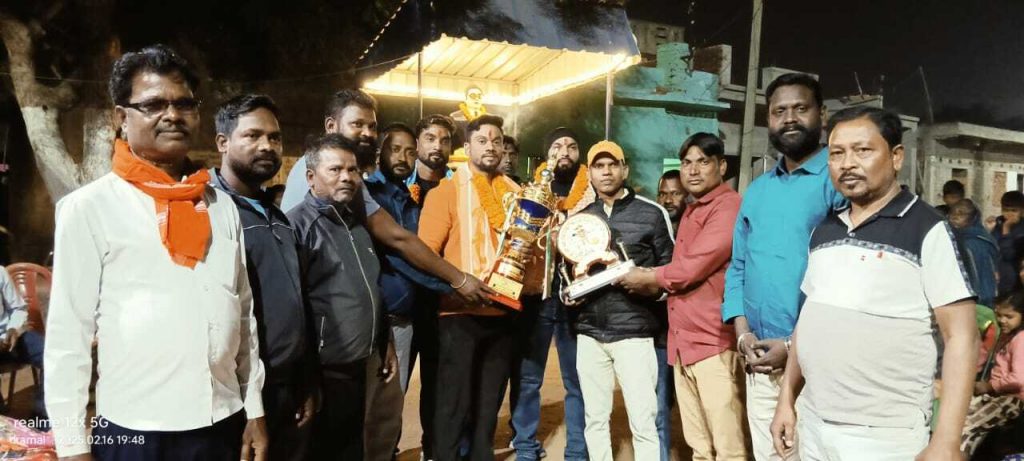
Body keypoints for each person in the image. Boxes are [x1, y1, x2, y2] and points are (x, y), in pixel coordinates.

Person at [45, 44, 266, 460]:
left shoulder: (221, 207)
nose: (172, 115)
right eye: (153, 105)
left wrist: (253, 407)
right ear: (120, 118)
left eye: (184, 104)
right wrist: (72, 446)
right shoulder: (89, 208)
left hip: (222, 422)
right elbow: (67, 337)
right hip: (136, 429)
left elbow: (242, 313)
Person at [770, 107, 978, 460]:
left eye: (862, 150)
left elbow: (962, 337)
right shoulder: (825, 231)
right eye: (837, 153)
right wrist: (786, 401)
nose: (847, 163)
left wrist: (946, 440)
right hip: (815, 423)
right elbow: (808, 321)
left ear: (896, 157)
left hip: (884, 435)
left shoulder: (927, 229)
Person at [722, 73, 846, 460]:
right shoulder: (758, 190)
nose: (789, 118)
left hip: (820, 365)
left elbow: (846, 280)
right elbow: (739, 266)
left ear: (822, 115)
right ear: (768, 119)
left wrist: (793, 347)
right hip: (760, 361)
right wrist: (742, 334)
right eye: (779, 111)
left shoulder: (838, 182)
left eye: (800, 108)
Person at [279, 90, 491, 308]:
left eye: (372, 126)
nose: (367, 133)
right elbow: (397, 239)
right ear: (331, 126)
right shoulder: (320, 171)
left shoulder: (351, 178)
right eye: (357, 124)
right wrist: (458, 280)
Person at [618, 132, 748, 460]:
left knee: (729, 448)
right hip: (683, 343)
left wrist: (647, 277)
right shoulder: (691, 211)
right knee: (699, 447)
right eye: (687, 162)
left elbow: (690, 269)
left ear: (721, 166)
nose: (693, 170)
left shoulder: (728, 207)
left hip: (713, 343)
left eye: (703, 162)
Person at [418, 115, 539, 461]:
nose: (491, 147)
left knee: (488, 406)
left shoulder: (519, 196)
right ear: (467, 147)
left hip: (503, 313)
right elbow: (425, 253)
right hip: (458, 314)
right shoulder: (447, 192)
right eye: (482, 141)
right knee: (453, 404)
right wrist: (458, 284)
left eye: (497, 141)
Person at [211, 94, 314, 460]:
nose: (267, 146)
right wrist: (246, 403)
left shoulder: (277, 217)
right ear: (223, 142)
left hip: (286, 385)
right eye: (252, 135)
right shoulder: (209, 212)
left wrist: (304, 380)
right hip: (239, 395)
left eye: (274, 137)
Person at [288, 133, 394, 460]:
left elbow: (371, 287)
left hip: (358, 363)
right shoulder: (297, 228)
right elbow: (293, 308)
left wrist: (385, 342)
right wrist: (305, 376)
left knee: (351, 445)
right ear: (311, 177)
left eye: (352, 170)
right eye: (335, 170)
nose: (347, 177)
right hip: (325, 368)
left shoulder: (355, 224)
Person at [572, 140, 674, 461]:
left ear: (624, 170)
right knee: (595, 420)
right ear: (590, 174)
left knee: (644, 422)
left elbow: (670, 271)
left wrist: (649, 287)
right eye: (599, 166)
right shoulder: (581, 220)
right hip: (590, 333)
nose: (606, 172)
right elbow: (569, 274)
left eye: (612, 165)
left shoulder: (652, 214)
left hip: (635, 333)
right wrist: (572, 294)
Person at [510, 127, 591, 461]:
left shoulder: (590, 194)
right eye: (557, 146)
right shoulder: (531, 191)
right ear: (547, 154)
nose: (564, 152)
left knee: (576, 379)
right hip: (537, 296)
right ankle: (525, 445)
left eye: (572, 146)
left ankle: (577, 449)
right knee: (529, 377)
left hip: (577, 298)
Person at [961, 292, 1024, 455]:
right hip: (996, 394)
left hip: (1013, 399)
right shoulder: (1006, 335)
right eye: (999, 315)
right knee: (956, 418)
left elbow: (1018, 379)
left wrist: (989, 386)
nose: (1002, 320)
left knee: (967, 426)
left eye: (1009, 316)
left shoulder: (1021, 339)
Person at [0, 266, 44, 420]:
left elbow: (18, 308)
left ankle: (42, 417)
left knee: (50, 356)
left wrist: (13, 329)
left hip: (11, 339)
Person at [949, 198, 999, 308]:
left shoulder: (980, 240)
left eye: (961, 214)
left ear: (972, 217)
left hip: (983, 298)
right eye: (952, 213)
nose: (955, 217)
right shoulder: (954, 239)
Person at [993, 190, 1024, 297]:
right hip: (998, 281)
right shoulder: (997, 225)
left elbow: (1008, 255)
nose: (1010, 214)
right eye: (1006, 210)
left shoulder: (1021, 231)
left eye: (1014, 210)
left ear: (1022, 211)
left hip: (1015, 284)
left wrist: (1006, 230)